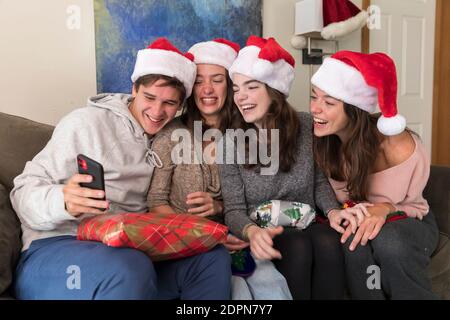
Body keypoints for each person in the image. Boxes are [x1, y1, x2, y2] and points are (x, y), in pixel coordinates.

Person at [10, 38, 231, 300]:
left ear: (181, 104)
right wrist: (63, 201)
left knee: (211, 258)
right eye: (149, 97)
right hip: (59, 249)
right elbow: (22, 191)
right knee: (130, 266)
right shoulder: (86, 123)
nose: (157, 111)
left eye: (169, 103)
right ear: (134, 89)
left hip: (133, 250)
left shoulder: (173, 139)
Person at [147, 38, 290, 300]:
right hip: (188, 240)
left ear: (230, 85)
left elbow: (258, 196)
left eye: (217, 79)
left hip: (236, 234)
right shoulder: (171, 133)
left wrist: (219, 208)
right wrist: (202, 233)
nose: (207, 89)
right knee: (236, 290)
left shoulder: (247, 131)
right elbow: (155, 201)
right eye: (199, 81)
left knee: (270, 281)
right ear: (191, 88)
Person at [218, 35, 359, 300]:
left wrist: (331, 212)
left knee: (330, 242)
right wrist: (251, 231)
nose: (241, 97)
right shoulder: (229, 143)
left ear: (274, 89)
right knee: (298, 246)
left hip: (307, 218)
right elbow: (234, 210)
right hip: (265, 229)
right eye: (236, 89)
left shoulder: (307, 126)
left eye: (251, 87)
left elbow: (318, 182)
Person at [310, 50, 439, 299]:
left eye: (328, 102)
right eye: (313, 97)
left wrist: (387, 208)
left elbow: (415, 205)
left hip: (411, 219)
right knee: (353, 241)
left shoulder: (397, 146)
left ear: (354, 110)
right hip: (358, 219)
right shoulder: (323, 141)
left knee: (387, 239)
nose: (316, 109)